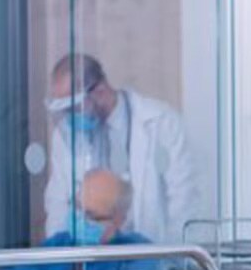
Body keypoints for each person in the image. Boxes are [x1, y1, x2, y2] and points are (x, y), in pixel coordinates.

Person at [43, 53, 198, 244]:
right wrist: (56, 259)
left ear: (99, 91)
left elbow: (184, 201)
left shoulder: (162, 124)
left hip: (151, 258)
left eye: (73, 108)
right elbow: (58, 201)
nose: (68, 118)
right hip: (93, 261)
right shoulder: (67, 137)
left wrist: (173, 262)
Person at [0, 169, 160, 270]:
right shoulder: (58, 246)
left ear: (118, 220)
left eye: (91, 215)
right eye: (77, 207)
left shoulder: (138, 256)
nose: (79, 219)